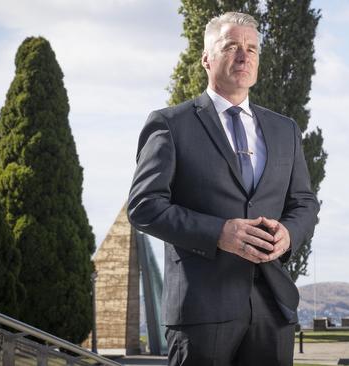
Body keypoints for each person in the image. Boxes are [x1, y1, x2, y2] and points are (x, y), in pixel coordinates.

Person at [127, 11, 319, 366]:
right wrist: (220, 232)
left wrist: (289, 235)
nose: (244, 56)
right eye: (231, 46)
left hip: (272, 310)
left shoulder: (285, 130)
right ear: (206, 58)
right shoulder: (170, 124)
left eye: (252, 48)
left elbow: (304, 202)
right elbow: (144, 206)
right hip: (200, 309)